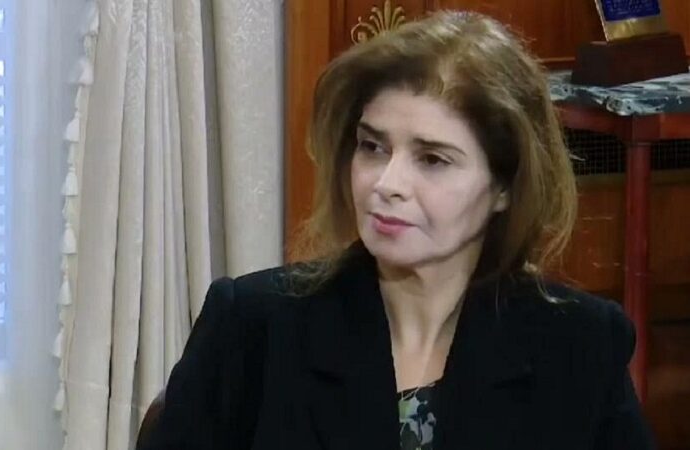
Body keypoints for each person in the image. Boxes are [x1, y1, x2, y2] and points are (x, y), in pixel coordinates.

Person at [137, 10, 654, 450]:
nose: (386, 184)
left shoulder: (582, 346)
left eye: (432, 159)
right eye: (373, 147)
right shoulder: (253, 327)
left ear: (504, 186)